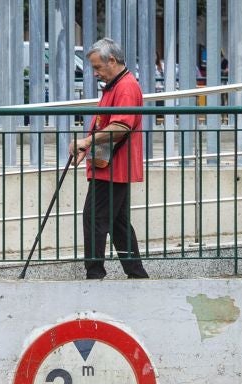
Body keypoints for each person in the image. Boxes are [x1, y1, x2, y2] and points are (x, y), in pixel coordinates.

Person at [68, 38, 147, 280]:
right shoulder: (118, 85)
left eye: (97, 67)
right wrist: (87, 147)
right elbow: (110, 124)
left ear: (112, 60)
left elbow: (121, 125)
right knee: (117, 223)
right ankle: (136, 274)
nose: (94, 73)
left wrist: (87, 142)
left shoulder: (125, 87)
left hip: (113, 167)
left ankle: (95, 274)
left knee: (94, 218)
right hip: (111, 164)